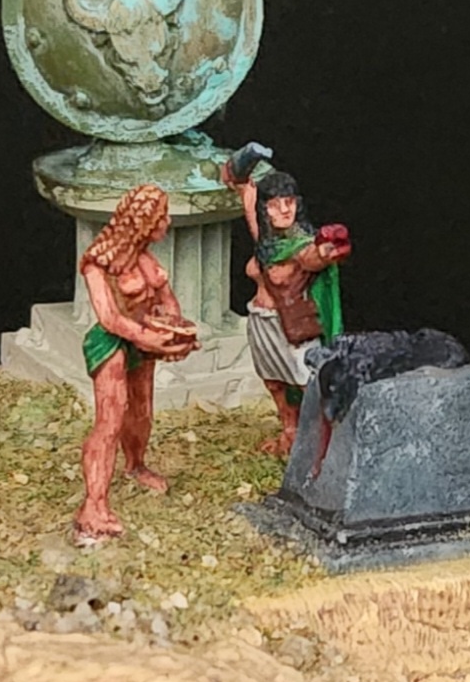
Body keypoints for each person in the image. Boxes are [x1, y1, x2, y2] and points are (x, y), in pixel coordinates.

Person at [75, 185, 197, 539]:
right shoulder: (98, 262)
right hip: (112, 343)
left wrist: (175, 329)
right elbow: (109, 317)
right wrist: (147, 337)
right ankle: (93, 505)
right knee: (109, 421)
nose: (167, 222)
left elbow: (166, 299)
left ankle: (136, 465)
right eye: (162, 216)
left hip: (144, 339)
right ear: (143, 222)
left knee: (141, 410)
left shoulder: (145, 258)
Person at [224, 147, 350, 458]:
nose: (284, 210)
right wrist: (247, 163)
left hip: (293, 328)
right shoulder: (267, 242)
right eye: (275, 204)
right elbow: (243, 189)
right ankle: (289, 432)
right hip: (262, 323)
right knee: (274, 382)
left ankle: (319, 442)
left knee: (308, 383)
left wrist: (328, 250)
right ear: (265, 209)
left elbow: (314, 256)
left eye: (289, 202)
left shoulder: (301, 245)